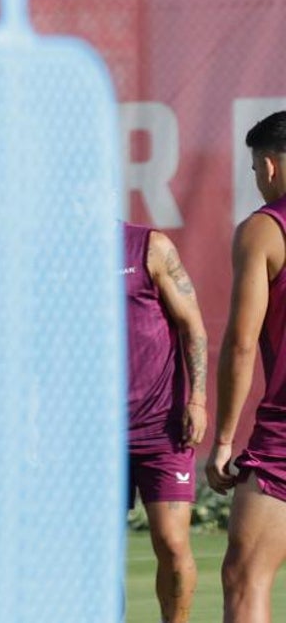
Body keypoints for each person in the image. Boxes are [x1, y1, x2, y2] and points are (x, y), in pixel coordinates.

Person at [207, 109, 286, 622]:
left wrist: (223, 441)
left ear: (270, 166)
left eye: (255, 169)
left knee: (245, 579)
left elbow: (239, 343)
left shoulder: (264, 230)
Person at [123, 221, 208, 622]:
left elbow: (193, 325)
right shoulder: (59, 257)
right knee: (95, 553)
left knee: (173, 544)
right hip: (91, 436)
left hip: (162, 428)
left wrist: (198, 399)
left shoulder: (150, 246)